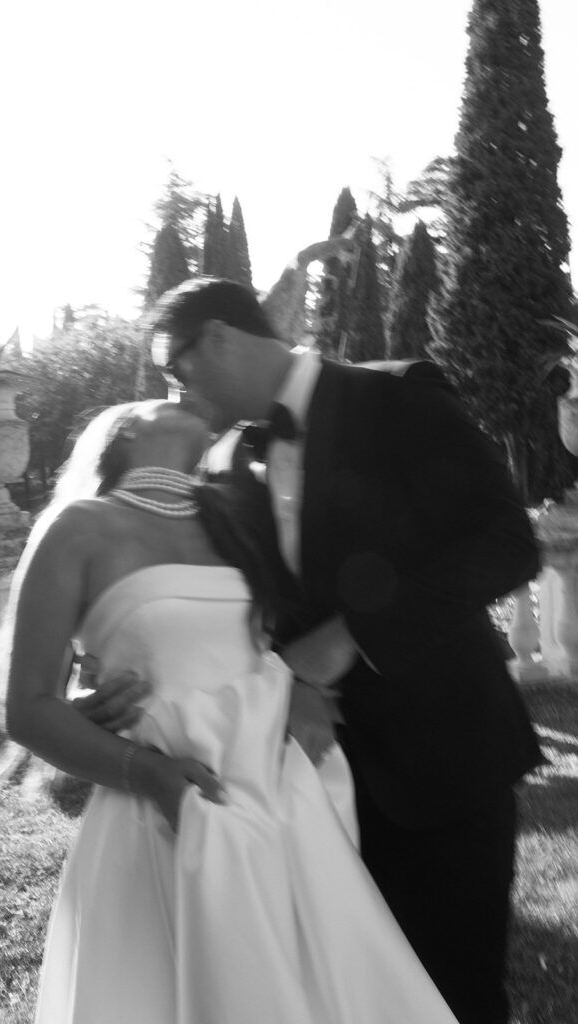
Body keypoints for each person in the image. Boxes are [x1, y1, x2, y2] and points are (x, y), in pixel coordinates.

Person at [0, 398, 459, 1024]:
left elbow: (271, 637)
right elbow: (27, 708)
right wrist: (141, 770)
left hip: (279, 797)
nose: (178, 395)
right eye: (154, 397)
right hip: (164, 806)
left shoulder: (233, 518)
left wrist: (304, 684)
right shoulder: (78, 527)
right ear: (122, 434)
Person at [145, 275, 543, 1024]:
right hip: (301, 784)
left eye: (175, 367)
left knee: (449, 995)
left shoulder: (397, 399)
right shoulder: (228, 462)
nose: (174, 393)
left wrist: (352, 633)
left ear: (221, 339)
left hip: (441, 765)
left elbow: (507, 543)